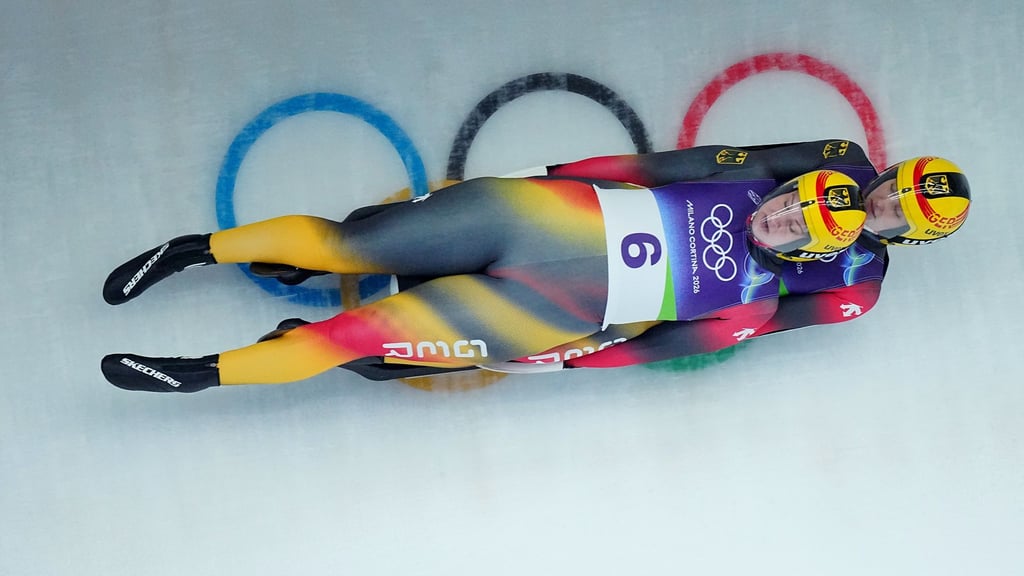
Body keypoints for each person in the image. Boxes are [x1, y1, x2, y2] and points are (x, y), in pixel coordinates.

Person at [100, 168, 866, 392]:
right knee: (346, 243)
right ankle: (192, 250)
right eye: (789, 204)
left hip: (535, 308)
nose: (780, 220)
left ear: (804, 257)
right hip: (526, 219)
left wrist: (576, 358)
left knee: (347, 338)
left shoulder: (753, 300)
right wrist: (556, 178)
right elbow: (645, 168)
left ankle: (198, 374)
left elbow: (670, 346)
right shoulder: (735, 179)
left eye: (796, 229)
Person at [329, 140, 971, 379]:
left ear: (907, 237)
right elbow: (719, 164)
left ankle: (363, 350)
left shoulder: (857, 288)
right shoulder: (836, 159)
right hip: (626, 228)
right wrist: (564, 177)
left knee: (455, 335)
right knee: (410, 237)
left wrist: (597, 354)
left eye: (893, 212)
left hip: (641, 296)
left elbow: (742, 325)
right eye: (889, 188)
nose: (879, 200)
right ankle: (338, 252)